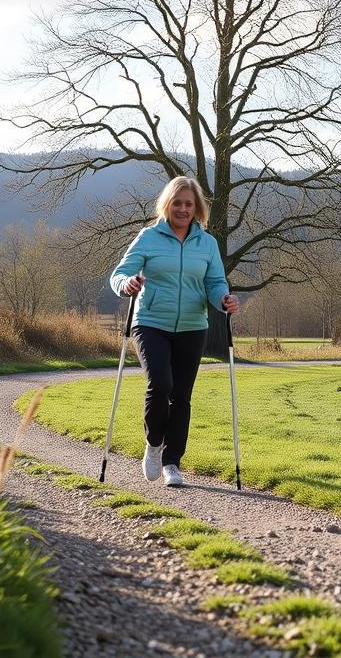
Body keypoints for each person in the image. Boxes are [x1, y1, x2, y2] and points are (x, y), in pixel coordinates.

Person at [109, 177, 239, 487]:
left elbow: (214, 283)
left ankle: (172, 463)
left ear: (197, 209)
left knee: (181, 397)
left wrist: (223, 299)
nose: (182, 208)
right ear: (167, 204)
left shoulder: (207, 243)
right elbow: (120, 274)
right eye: (177, 202)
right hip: (151, 322)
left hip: (193, 327)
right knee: (161, 384)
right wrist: (127, 285)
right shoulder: (149, 237)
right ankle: (154, 445)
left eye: (188, 204)